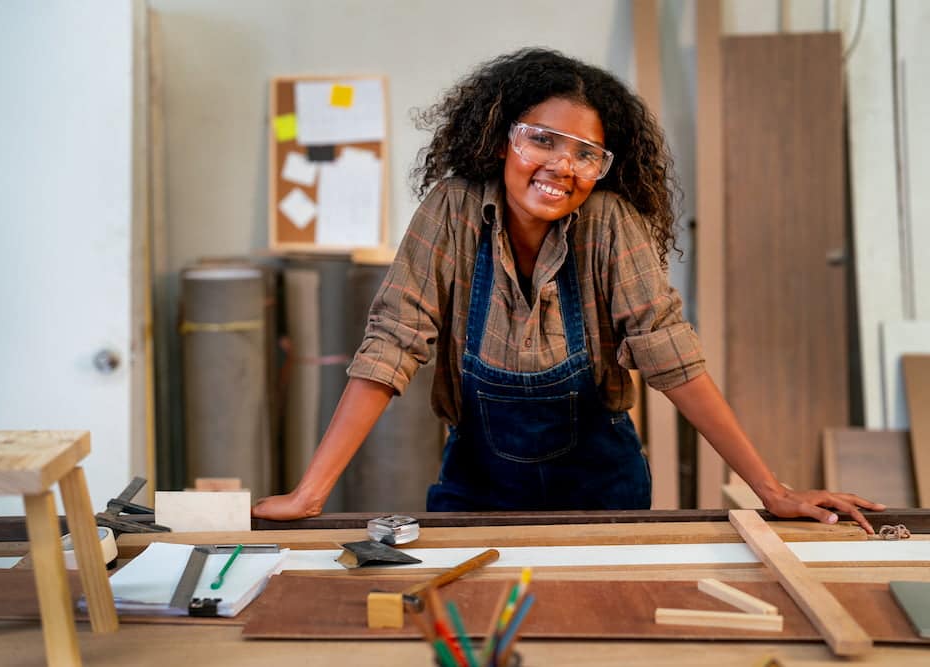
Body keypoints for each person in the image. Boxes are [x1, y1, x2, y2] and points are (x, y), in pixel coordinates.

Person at [253, 48, 884, 532]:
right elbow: (392, 342)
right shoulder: (452, 210)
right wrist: (312, 492)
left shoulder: (610, 224)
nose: (562, 166)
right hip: (477, 485)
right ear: (503, 136)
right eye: (543, 140)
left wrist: (771, 491)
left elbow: (672, 357)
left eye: (587, 153)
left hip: (602, 488)